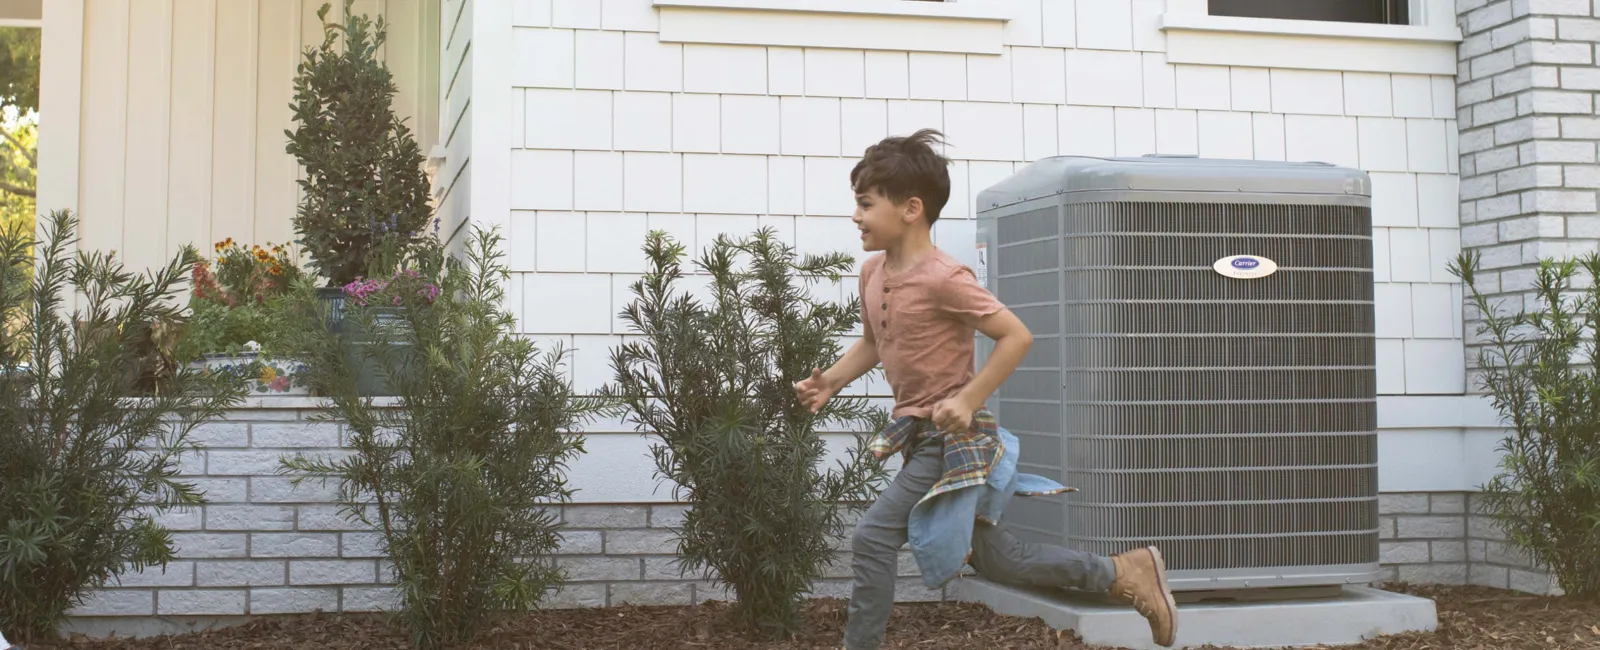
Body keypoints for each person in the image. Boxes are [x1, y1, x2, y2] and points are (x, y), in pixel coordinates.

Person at [793, 129, 1178, 650]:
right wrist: (831, 382)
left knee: (872, 536)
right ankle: (1122, 572)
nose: (855, 215)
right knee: (997, 557)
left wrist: (969, 397)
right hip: (921, 438)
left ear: (911, 209)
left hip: (953, 440)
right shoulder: (872, 272)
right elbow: (873, 341)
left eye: (865, 203)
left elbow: (1015, 335)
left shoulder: (945, 277)